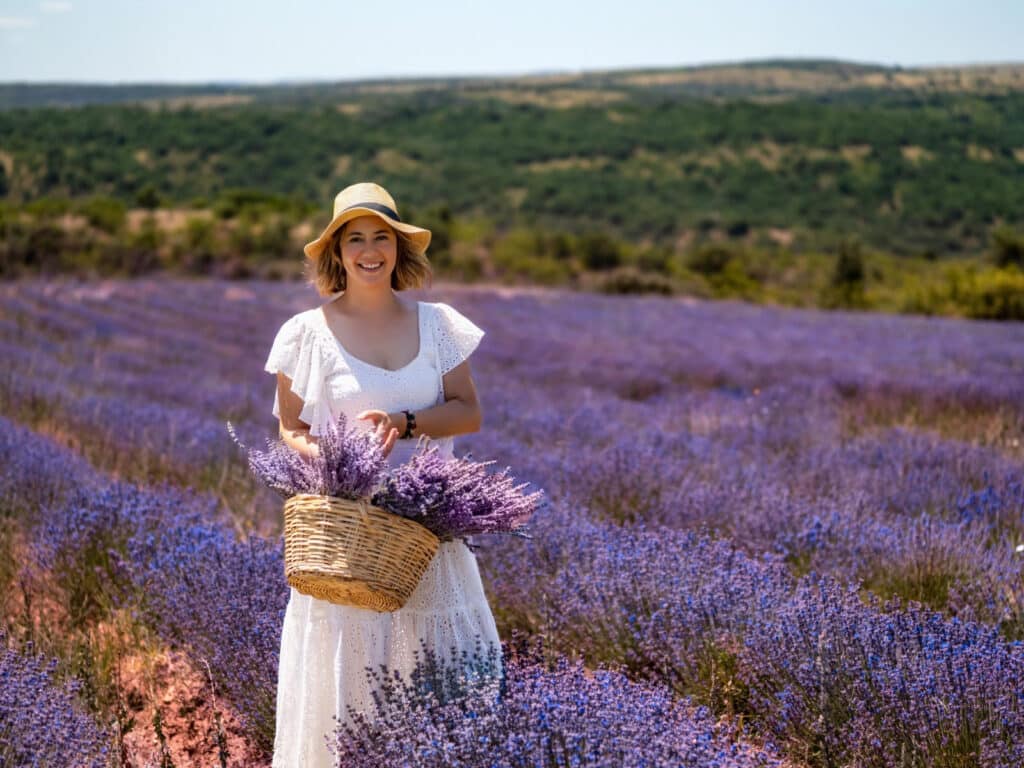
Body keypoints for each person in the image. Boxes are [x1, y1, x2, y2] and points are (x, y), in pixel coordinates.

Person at [263, 182, 503, 767]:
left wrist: (404, 421)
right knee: (349, 679)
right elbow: (290, 427)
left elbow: (467, 411)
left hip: (427, 534)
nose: (370, 251)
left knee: (450, 667)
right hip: (350, 537)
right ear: (336, 254)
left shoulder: (439, 324)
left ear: (399, 249)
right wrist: (329, 459)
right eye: (355, 240)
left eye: (381, 238)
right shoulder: (305, 333)